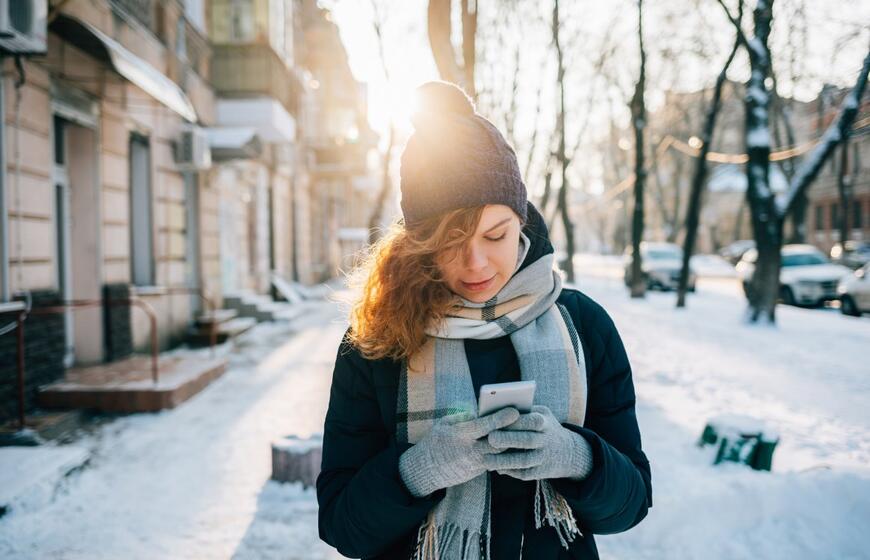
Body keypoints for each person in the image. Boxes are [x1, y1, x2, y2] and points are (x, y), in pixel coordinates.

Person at [317, 81, 651, 560]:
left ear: (521, 220)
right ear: (420, 243)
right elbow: (342, 526)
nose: (475, 264)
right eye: (449, 243)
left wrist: (575, 458)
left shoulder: (585, 325)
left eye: (495, 234)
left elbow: (632, 505)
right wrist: (419, 470)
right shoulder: (378, 337)